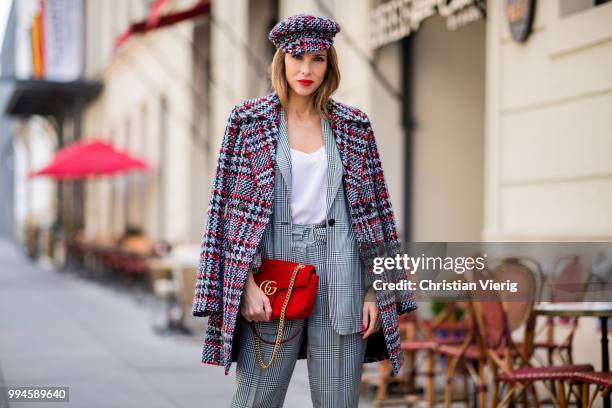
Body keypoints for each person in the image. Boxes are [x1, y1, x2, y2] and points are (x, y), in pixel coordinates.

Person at [192, 13, 416, 407]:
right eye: (297, 58)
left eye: (318, 59)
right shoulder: (248, 122)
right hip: (274, 271)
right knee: (255, 399)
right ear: (281, 61)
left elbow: (376, 214)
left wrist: (372, 291)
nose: (306, 69)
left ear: (330, 64)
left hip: (342, 270)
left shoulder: (354, 125)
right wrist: (245, 284)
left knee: (337, 401)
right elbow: (227, 213)